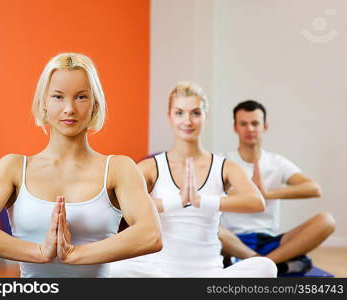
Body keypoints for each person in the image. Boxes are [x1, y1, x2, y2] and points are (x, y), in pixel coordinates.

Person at [0, 52, 162, 277]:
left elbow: (150, 234)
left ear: (95, 104)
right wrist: (40, 252)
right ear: (43, 103)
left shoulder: (119, 169)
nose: (69, 109)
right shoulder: (13, 168)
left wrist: (75, 254)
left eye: (81, 97)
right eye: (58, 97)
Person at [110, 82, 277, 277]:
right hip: (158, 272)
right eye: (179, 113)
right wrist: (176, 202)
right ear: (169, 116)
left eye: (195, 113)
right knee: (111, 268)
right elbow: (123, 208)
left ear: (205, 116)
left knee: (266, 267)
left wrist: (201, 201)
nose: (187, 121)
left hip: (207, 275)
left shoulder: (223, 167)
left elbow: (256, 202)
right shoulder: (151, 167)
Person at [219, 100, 335, 274]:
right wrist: (246, 194)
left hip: (269, 240)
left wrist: (268, 193)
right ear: (235, 127)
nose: (250, 128)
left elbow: (313, 188)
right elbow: (202, 195)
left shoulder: (277, 162)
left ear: (265, 126)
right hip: (233, 241)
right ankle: (274, 265)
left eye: (255, 123)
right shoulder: (222, 160)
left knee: (326, 221)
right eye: (243, 124)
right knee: (210, 228)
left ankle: (259, 264)